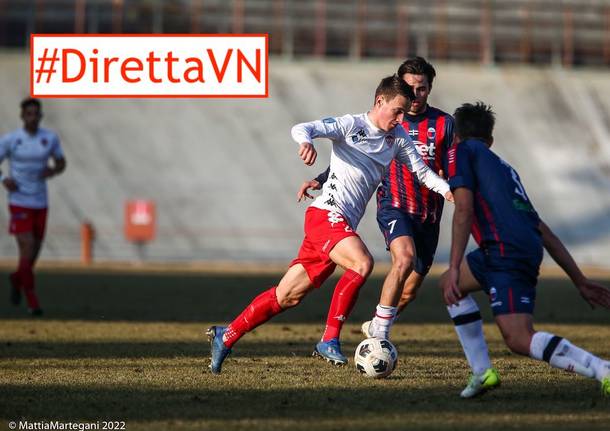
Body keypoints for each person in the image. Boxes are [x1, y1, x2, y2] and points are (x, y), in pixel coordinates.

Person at [207, 75, 452, 374]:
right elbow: (303, 127)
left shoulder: (397, 138)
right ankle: (329, 339)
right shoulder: (352, 125)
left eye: (405, 112)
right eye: (397, 111)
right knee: (362, 263)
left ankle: (227, 335)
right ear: (380, 102)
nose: (401, 118)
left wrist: (447, 189)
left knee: (287, 296)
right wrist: (305, 142)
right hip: (325, 214)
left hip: (339, 226)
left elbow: (423, 172)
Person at [299, 57, 473, 349]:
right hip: (395, 204)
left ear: (430, 89)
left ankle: (377, 324)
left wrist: (451, 184)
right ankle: (379, 338)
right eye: (409, 88)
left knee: (409, 290)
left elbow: (449, 165)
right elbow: (357, 153)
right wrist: (322, 178)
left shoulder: (444, 123)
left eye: (422, 89)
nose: (415, 95)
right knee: (402, 259)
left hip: (429, 212)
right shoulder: (389, 123)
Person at [441, 101, 610, 397]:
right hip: (508, 248)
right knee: (450, 288)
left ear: (455, 137)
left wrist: (454, 265)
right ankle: (482, 372)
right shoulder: (505, 169)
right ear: (490, 141)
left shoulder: (460, 152)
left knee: (519, 338)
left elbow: (464, 209)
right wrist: (579, 280)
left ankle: (602, 369)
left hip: (505, 251)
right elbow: (542, 229)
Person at [0, 98, 66, 315]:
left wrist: (53, 170)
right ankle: (33, 302)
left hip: (40, 202)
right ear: (22, 116)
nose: (32, 118)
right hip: (19, 201)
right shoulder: (11, 140)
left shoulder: (49, 139)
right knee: (27, 247)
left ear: (40, 116)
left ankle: (16, 278)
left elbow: (61, 162)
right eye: (28, 114)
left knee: (32, 255)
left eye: (36, 114)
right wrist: (3, 179)